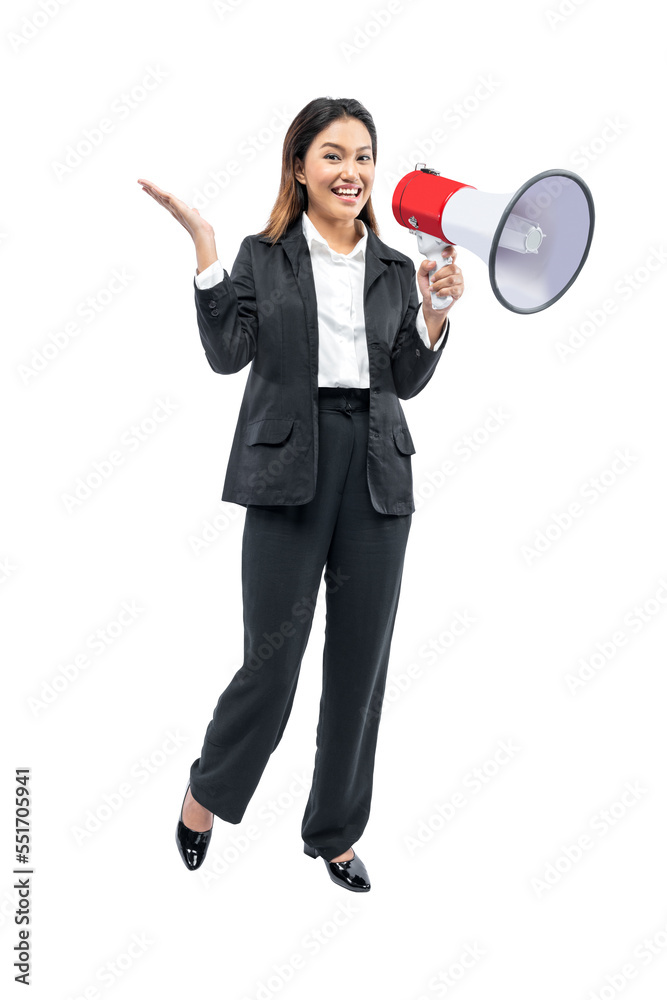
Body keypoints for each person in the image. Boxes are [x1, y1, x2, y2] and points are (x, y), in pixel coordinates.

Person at [137, 96, 464, 892]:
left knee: (361, 669)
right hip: (287, 468)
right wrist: (207, 250)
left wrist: (431, 314)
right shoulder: (264, 255)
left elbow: (406, 381)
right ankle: (207, 792)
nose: (350, 171)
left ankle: (334, 831)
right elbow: (227, 353)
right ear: (300, 167)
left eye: (362, 156)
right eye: (332, 155)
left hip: (376, 472)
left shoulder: (394, 267)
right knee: (272, 665)